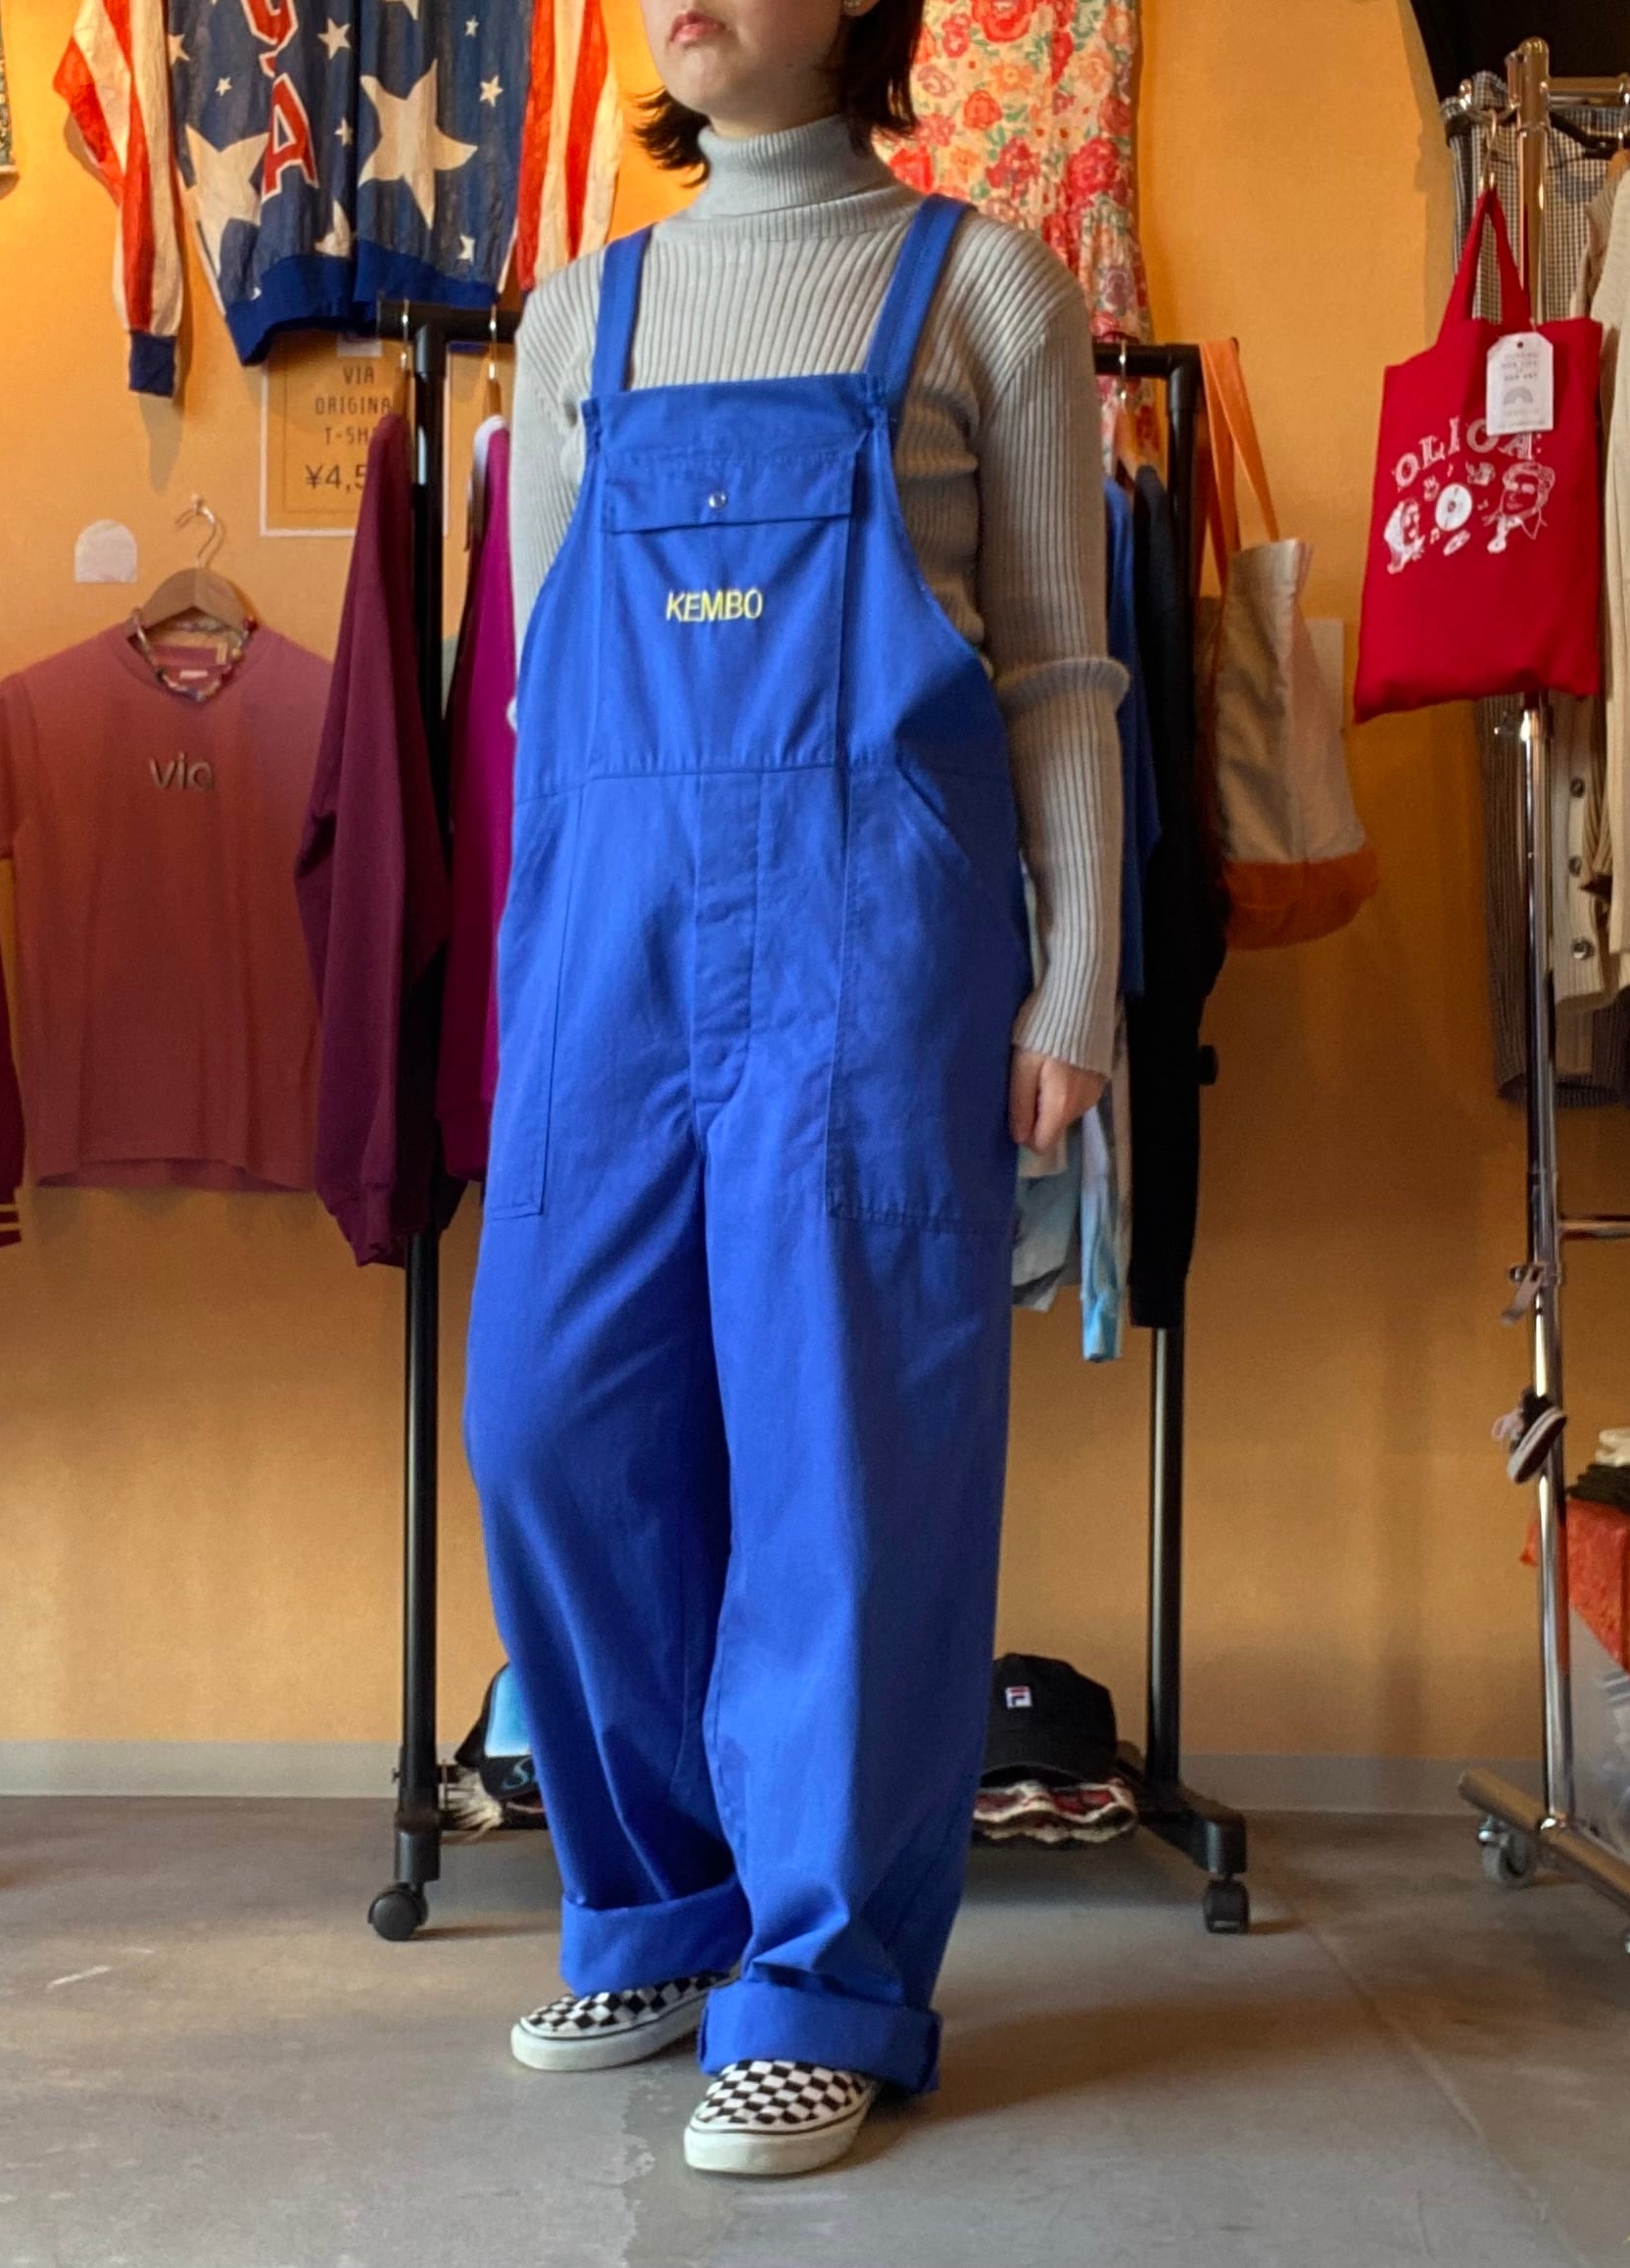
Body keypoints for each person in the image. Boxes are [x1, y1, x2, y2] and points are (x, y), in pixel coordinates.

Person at [460, 0, 1126, 2180]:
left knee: (848, 1459)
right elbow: (545, 695)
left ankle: (825, 1981)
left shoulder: (992, 288)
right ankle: (660, 1904)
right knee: (549, 1420)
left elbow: (1061, 675)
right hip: (609, 952)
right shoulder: (580, 312)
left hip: (868, 946)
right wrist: (539, 982)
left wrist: (1076, 990)